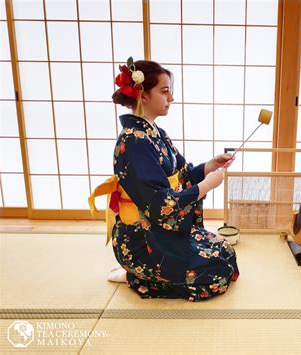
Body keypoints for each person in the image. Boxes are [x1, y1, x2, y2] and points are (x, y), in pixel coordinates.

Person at [90, 57, 239, 301]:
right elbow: (161, 204)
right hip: (144, 240)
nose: (171, 98)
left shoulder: (155, 133)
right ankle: (135, 274)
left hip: (162, 232)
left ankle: (146, 275)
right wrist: (205, 187)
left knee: (225, 252)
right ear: (143, 95)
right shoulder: (135, 141)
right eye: (165, 91)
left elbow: (179, 176)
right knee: (217, 272)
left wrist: (209, 166)